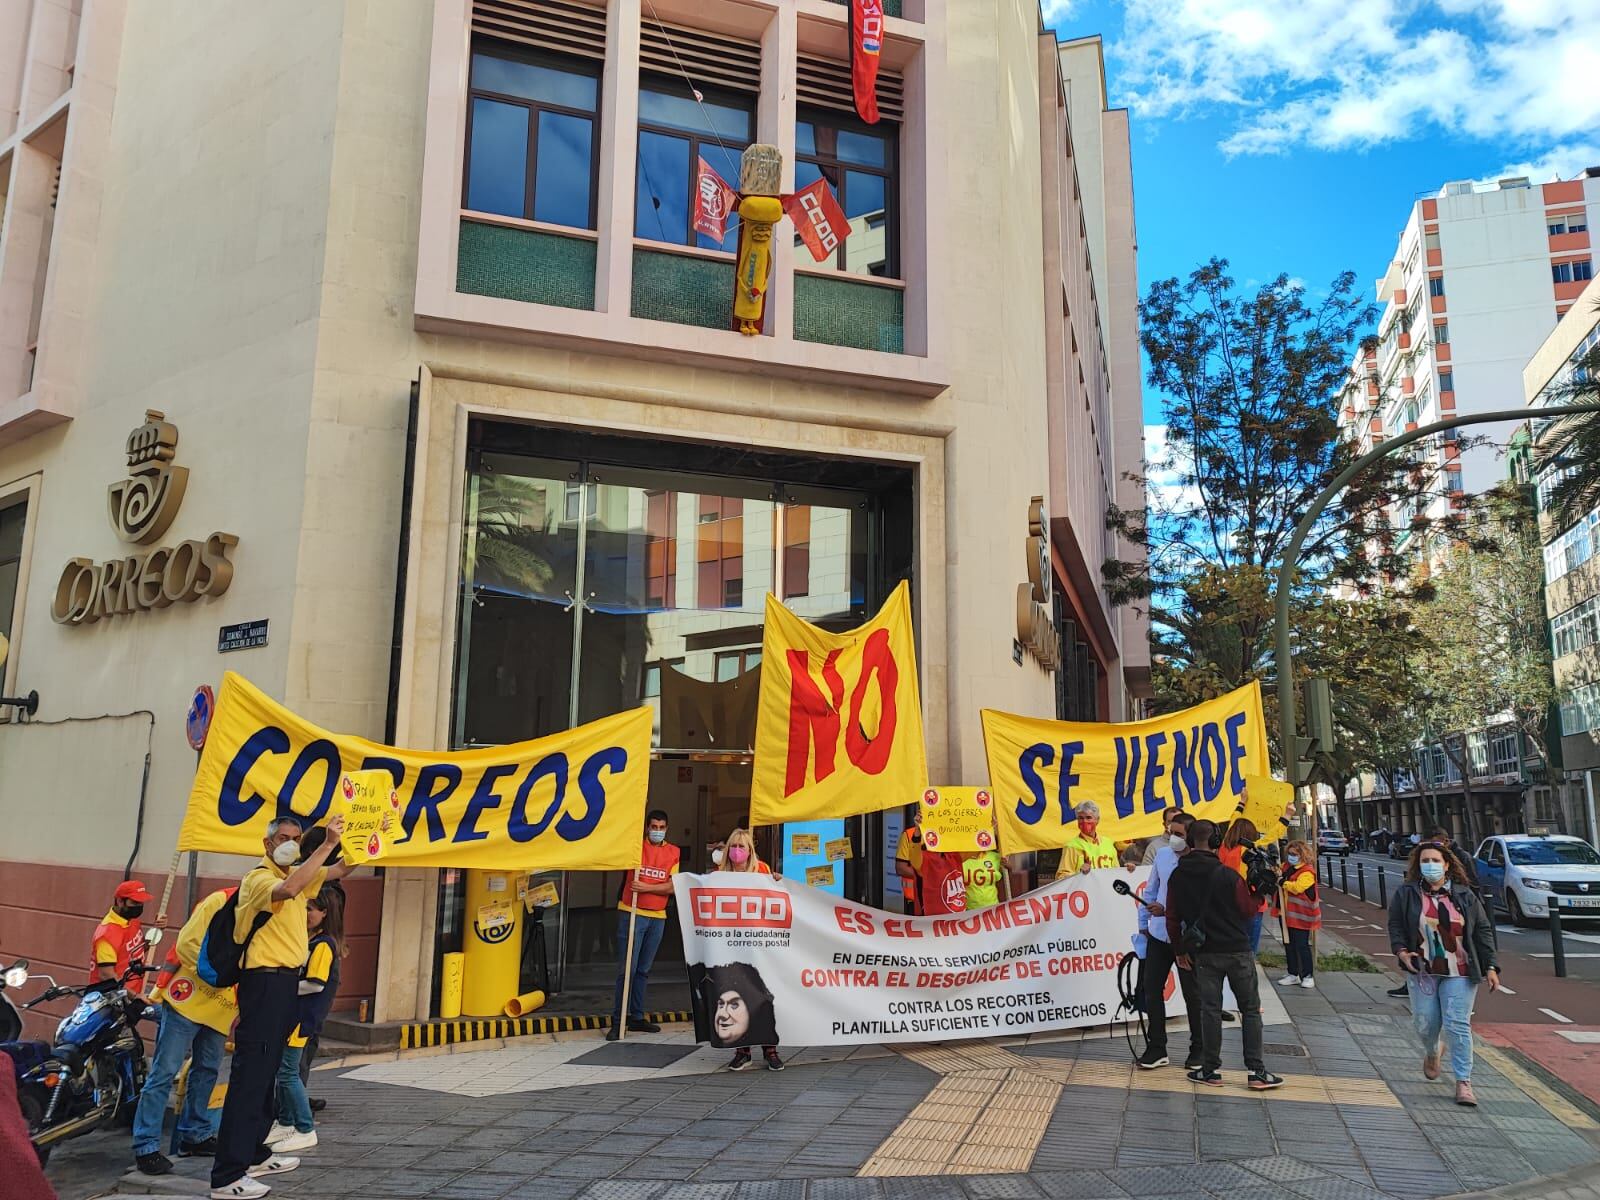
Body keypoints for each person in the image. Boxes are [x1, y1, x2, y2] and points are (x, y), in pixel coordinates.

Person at [210, 813, 353, 1200]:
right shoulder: (260, 880)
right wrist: (324, 843)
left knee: (268, 1073)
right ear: (268, 843)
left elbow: (339, 869)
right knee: (250, 1077)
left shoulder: (303, 877)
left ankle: (254, 1152)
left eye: (295, 837)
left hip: (285, 982)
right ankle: (227, 1175)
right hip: (264, 981)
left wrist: (363, 841)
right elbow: (289, 888)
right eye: (284, 838)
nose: (290, 842)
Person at [1166, 819, 1283, 1090]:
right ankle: (1256, 1071)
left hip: (1204, 953)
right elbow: (1247, 909)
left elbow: (1172, 917)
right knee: (1250, 1010)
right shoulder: (1229, 875)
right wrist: (1259, 894)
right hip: (1237, 950)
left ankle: (1209, 1070)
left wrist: (1179, 949)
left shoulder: (1177, 875)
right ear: (1217, 842)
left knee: (1210, 1010)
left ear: (1189, 842)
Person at [131, 887, 238, 1176]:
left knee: (207, 1070)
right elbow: (187, 944)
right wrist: (217, 974)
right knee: (164, 1072)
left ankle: (196, 1134)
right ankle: (146, 1146)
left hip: (222, 1005)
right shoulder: (221, 900)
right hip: (187, 997)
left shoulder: (268, 911)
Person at [1388, 840, 1501, 1107]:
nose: (1430, 866)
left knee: (1457, 1024)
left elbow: (1483, 931)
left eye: (1436, 861)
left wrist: (1491, 966)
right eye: (1425, 861)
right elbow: (1395, 925)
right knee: (1425, 1023)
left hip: (1460, 971)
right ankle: (1432, 1050)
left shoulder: (1464, 895)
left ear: (1447, 865)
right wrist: (1402, 952)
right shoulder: (1407, 894)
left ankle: (1464, 1082)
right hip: (1423, 971)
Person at [264, 885, 343, 1154]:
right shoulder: (309, 942)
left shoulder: (323, 945)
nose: (305, 913)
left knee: (288, 1073)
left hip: (302, 1019)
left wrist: (279, 987)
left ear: (324, 912)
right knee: (285, 1072)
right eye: (303, 908)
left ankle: (305, 1128)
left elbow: (315, 984)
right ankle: (286, 1122)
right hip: (293, 1017)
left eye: (310, 909)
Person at [710, 830, 783, 1070]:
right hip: (732, 946)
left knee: (762, 997)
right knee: (738, 995)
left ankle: (770, 1050)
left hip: (758, 944)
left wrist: (777, 881)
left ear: (750, 850)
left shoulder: (761, 870)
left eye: (742, 846)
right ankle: (743, 1051)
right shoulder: (720, 874)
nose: (738, 851)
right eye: (734, 846)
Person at [1136, 811, 1202, 1071]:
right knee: (1151, 989)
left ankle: (1198, 1048)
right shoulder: (1163, 856)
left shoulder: (1198, 862)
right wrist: (1143, 924)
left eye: (1178, 834)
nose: (1172, 838)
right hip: (1159, 934)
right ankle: (1156, 1047)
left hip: (1186, 938)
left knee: (1192, 994)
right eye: (1170, 832)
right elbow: (1150, 890)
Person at [608, 810, 680, 1042]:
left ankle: (637, 1016)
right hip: (632, 912)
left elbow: (672, 887)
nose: (657, 831)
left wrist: (647, 888)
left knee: (643, 970)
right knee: (626, 970)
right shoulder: (633, 848)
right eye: (653, 826)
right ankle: (618, 1021)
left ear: (666, 828)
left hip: (658, 916)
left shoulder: (673, 852)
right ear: (646, 827)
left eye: (661, 827)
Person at [697, 962, 780, 1068]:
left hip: (760, 954)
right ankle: (743, 1052)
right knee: (736, 991)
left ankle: (769, 1050)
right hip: (735, 953)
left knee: (762, 1002)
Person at [91, 879, 154, 992]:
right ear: (120, 901)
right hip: (115, 998)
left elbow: (138, 950)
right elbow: (107, 976)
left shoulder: (132, 921)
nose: (139, 906)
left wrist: (157, 930)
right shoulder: (107, 934)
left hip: (135, 990)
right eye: (135, 903)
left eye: (141, 903)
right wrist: (135, 997)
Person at [1276, 840, 1321, 990]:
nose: (1291, 857)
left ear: (1302, 855)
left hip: (1302, 916)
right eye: (1289, 854)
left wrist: (1283, 883)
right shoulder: (1286, 867)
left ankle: (1308, 975)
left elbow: (1298, 887)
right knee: (1289, 944)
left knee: (1301, 945)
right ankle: (1293, 973)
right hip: (1286, 913)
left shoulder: (1307, 872)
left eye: (1294, 854)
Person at [1217, 819, 1267, 952]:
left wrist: (1241, 804)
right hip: (1253, 902)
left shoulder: (1224, 849)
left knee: (1230, 944)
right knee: (1249, 946)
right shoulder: (1253, 852)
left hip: (1229, 902)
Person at [1055, 800, 1119, 878]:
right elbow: (1061, 877)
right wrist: (1079, 873)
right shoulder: (1071, 846)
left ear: (1097, 820)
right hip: (1083, 890)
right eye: (1081, 818)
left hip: (1105, 889)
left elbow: (1117, 872)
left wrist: (1130, 871)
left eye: (1088, 818)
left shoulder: (1108, 843)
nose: (1084, 821)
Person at [894, 809, 924, 915]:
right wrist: (929, 877)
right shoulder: (909, 834)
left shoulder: (944, 835)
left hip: (940, 899)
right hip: (915, 901)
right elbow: (900, 868)